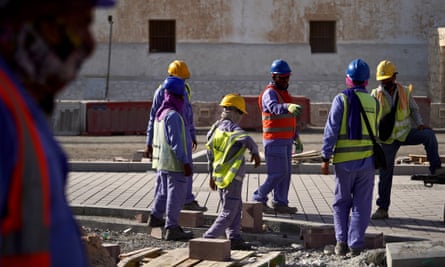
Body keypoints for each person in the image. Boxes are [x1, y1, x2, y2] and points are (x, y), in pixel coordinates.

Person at [0, 0, 115, 266]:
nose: (88, 44)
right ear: (29, 23)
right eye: (79, 24)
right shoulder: (6, 112)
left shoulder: (22, 105)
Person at [370, 60, 445, 220]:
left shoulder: (404, 91)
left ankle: (436, 167)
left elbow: (414, 110)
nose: (385, 81)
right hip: (388, 140)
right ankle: (382, 208)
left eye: (388, 78)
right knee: (385, 173)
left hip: (404, 133)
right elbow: (371, 118)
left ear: (394, 77)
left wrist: (420, 125)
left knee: (429, 135)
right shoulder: (375, 94)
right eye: (382, 79)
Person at [321, 59, 379, 256]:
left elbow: (331, 130)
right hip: (367, 162)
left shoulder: (341, 99)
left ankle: (341, 243)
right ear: (366, 81)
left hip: (344, 163)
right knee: (362, 205)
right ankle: (356, 245)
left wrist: (325, 156)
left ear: (348, 79)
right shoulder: (374, 102)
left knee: (341, 203)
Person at [144, 60, 207, 212]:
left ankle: (186, 199)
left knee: (186, 169)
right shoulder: (162, 91)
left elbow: (188, 114)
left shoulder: (183, 90)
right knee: (164, 175)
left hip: (183, 132)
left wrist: (192, 134)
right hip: (167, 136)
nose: (183, 81)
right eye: (181, 78)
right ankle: (160, 208)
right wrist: (149, 142)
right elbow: (154, 117)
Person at [203, 94, 261, 250]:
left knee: (235, 207)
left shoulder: (215, 128)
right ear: (235, 111)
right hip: (232, 176)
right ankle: (208, 238)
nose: (241, 117)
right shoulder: (232, 128)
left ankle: (234, 238)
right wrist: (255, 153)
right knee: (229, 211)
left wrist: (211, 175)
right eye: (241, 113)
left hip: (221, 176)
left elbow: (210, 153)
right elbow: (246, 139)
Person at [146, 76, 194, 241]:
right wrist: (185, 162)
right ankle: (172, 227)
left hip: (162, 163)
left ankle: (155, 216)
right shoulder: (173, 116)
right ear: (178, 97)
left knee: (163, 192)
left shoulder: (161, 113)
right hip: (175, 164)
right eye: (182, 97)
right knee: (175, 195)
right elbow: (176, 143)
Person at [251, 59, 301, 214]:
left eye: (287, 77)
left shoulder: (284, 94)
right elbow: (273, 108)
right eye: (282, 78)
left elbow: (289, 119)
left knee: (286, 174)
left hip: (285, 140)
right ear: (274, 77)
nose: (285, 80)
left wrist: (296, 137)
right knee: (278, 173)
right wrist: (287, 106)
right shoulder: (270, 93)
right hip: (274, 140)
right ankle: (258, 198)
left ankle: (281, 202)